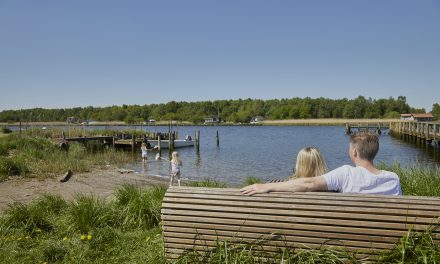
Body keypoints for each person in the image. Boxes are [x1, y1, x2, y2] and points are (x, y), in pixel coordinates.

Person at [241, 132, 402, 196]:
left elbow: (310, 183)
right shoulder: (393, 179)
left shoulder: (347, 173)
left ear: (354, 152)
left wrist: (268, 186)